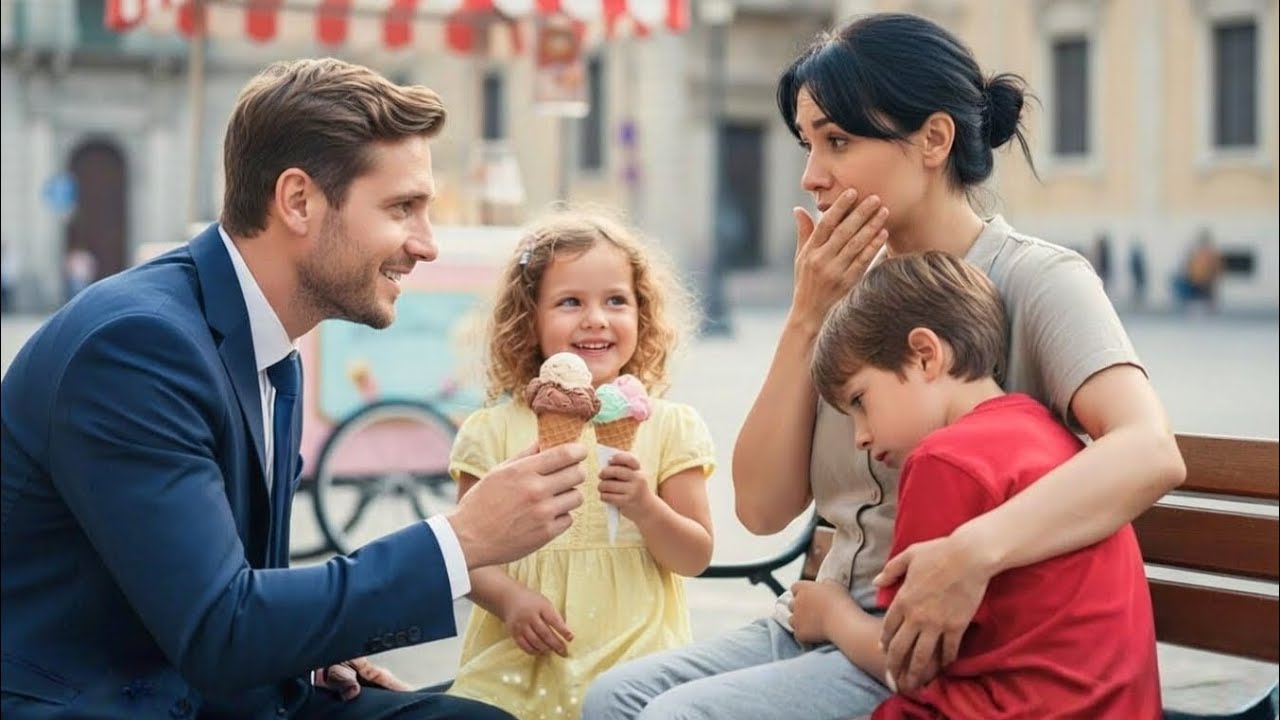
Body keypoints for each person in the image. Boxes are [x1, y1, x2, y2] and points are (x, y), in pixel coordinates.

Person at [584, 13, 1184, 720]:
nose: (811, 175)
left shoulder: (1037, 279)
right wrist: (808, 315)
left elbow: (1149, 451)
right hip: (828, 620)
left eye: (838, 141)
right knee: (614, 697)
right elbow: (762, 506)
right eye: (808, 143)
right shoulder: (850, 295)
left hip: (944, 641)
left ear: (934, 139)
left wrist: (971, 554)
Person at [1, 58, 590, 720]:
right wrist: (461, 541)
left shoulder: (270, 345)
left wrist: (314, 645)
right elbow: (220, 631)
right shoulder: (137, 348)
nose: (425, 244)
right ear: (299, 201)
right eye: (402, 208)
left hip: (231, 685)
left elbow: (239, 593)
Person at [795, 250, 1161, 719]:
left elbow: (906, 665)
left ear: (925, 355)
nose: (862, 437)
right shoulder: (1045, 430)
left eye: (861, 401)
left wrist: (831, 616)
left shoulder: (942, 462)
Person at [445, 209, 716, 719]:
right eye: (570, 302)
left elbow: (694, 556)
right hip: (521, 662)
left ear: (643, 314)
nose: (595, 318)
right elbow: (466, 555)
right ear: (529, 320)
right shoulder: (492, 430)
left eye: (616, 300)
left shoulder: (671, 426)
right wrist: (509, 600)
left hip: (637, 664)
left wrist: (645, 507)